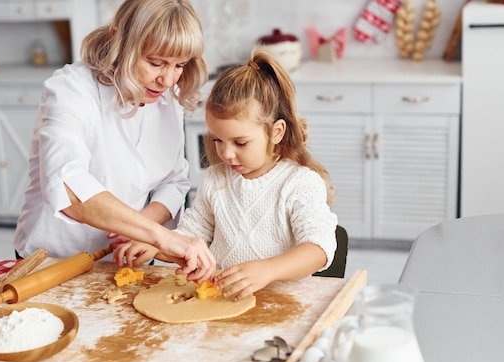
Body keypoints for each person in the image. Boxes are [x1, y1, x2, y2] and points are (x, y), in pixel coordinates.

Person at [13, 0, 216, 281]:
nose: (167, 79)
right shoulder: (72, 89)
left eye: (179, 65)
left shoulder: (168, 97)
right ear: (119, 41)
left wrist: (141, 229)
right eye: (156, 63)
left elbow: (174, 180)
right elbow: (66, 185)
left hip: (127, 261)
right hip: (55, 259)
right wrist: (159, 236)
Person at [114, 49, 339, 300]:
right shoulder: (216, 180)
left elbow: (318, 249)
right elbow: (191, 234)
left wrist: (267, 270)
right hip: (223, 299)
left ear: (276, 132)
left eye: (240, 143)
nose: (227, 154)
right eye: (218, 140)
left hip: (282, 302)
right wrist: (155, 246)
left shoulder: (300, 183)